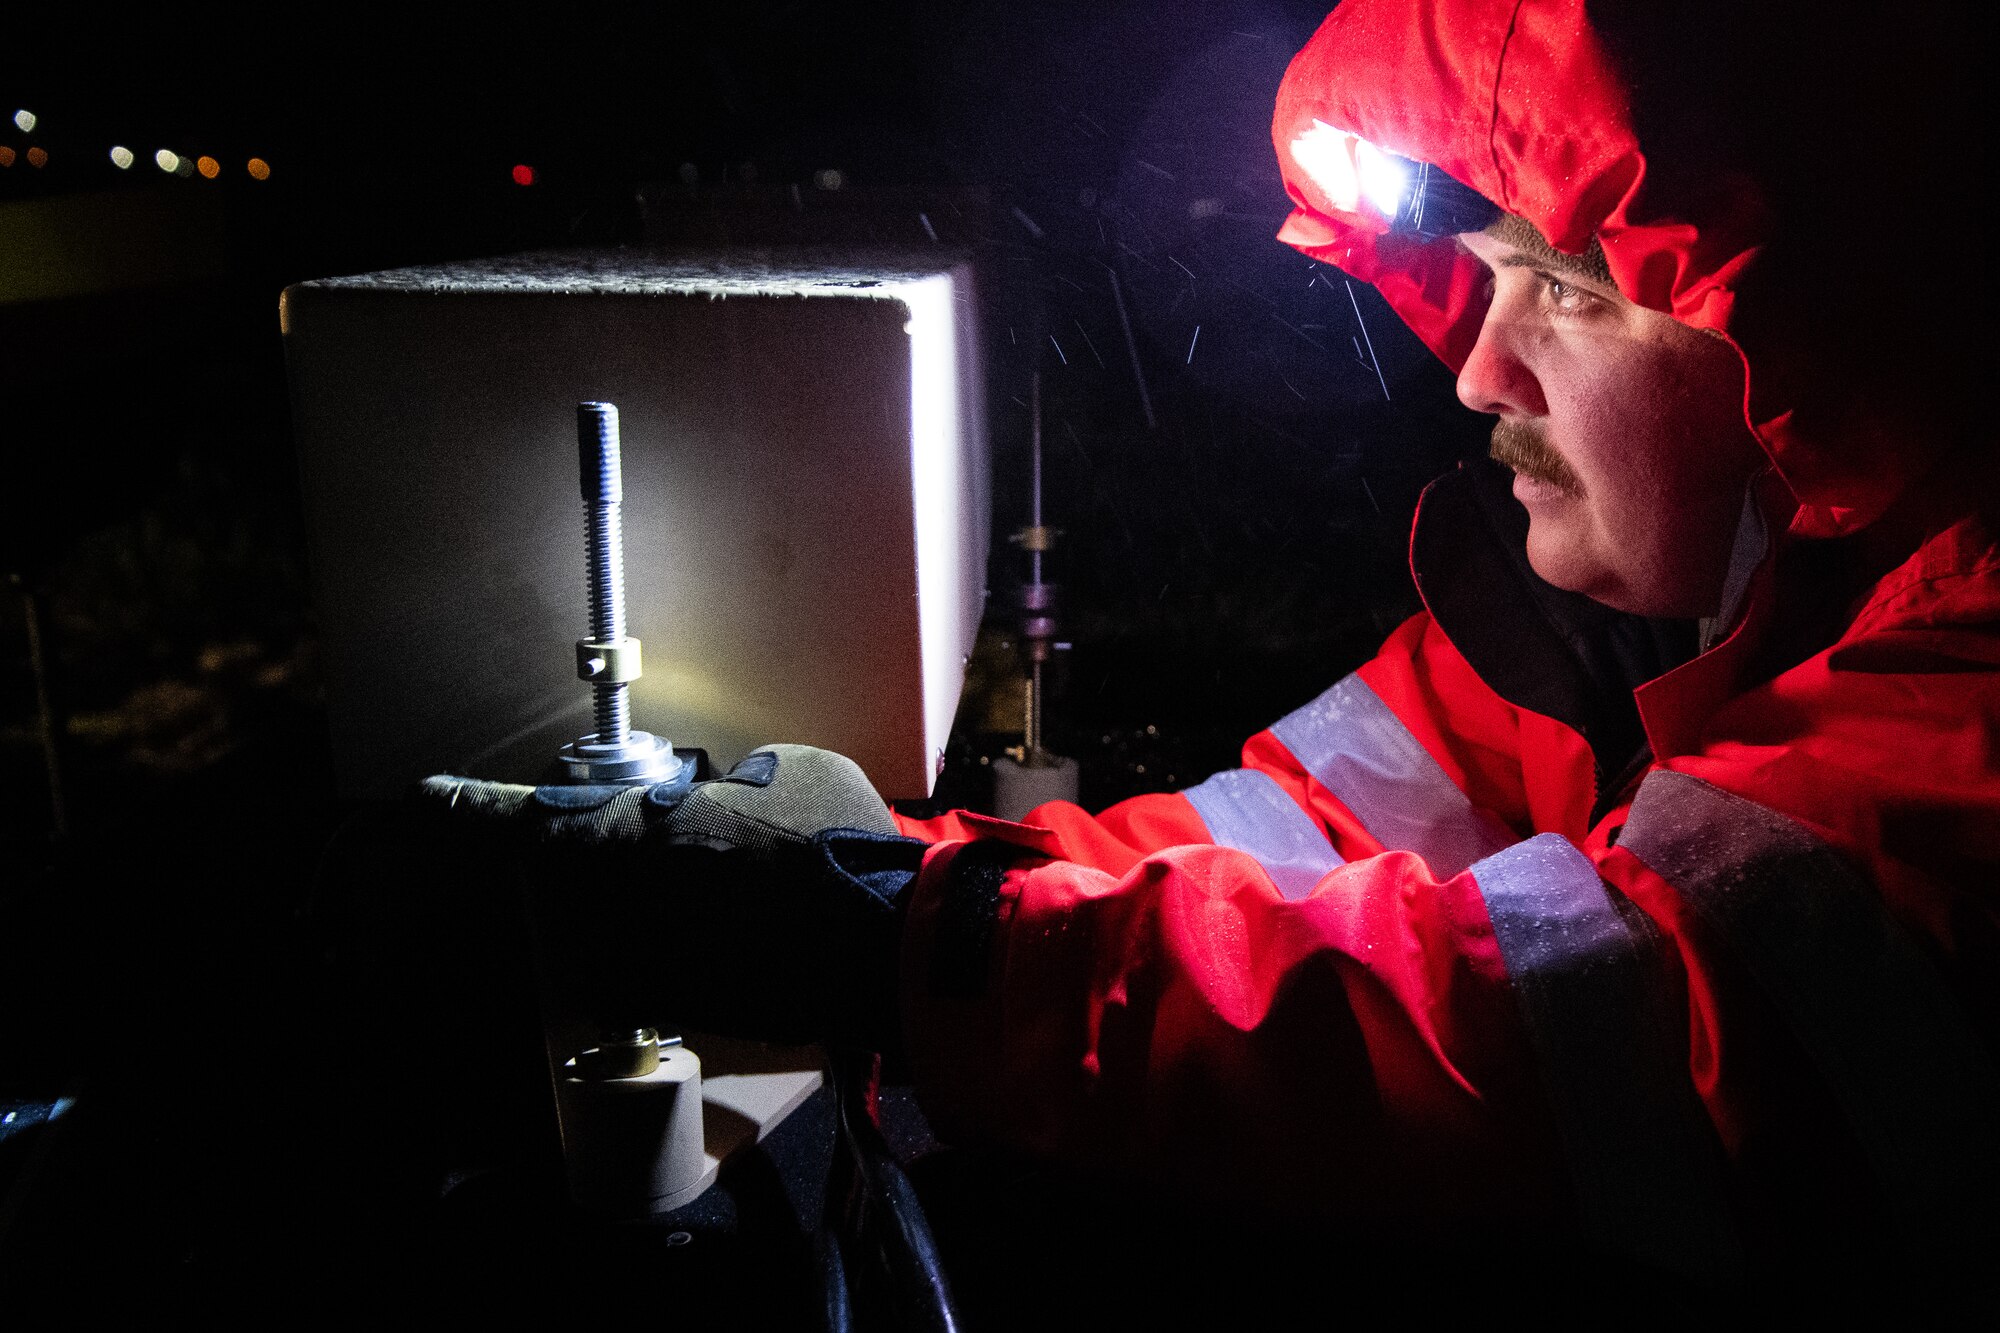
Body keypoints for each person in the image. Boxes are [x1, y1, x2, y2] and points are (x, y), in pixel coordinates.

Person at [428, 0, 1994, 1303]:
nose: (1474, 364)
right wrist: (925, 878)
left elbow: (1575, 1042)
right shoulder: (1667, 594)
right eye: (1494, 269)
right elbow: (1310, 824)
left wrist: (913, 943)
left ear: (1805, 325)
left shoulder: (1966, 678)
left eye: (1572, 286)